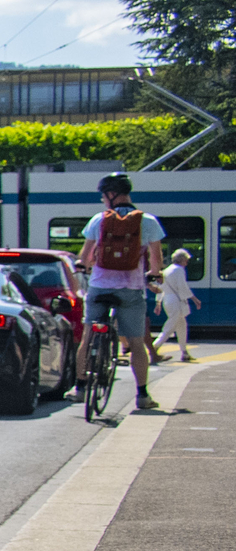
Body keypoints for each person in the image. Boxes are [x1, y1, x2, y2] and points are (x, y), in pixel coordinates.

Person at [74, 173, 167, 412]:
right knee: (136, 343)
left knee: (87, 336)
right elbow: (156, 260)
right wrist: (155, 274)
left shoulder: (98, 220)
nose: (104, 201)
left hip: (100, 287)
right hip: (132, 290)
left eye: (104, 196)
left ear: (111, 195)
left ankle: (80, 387)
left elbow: (84, 257)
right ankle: (143, 395)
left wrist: (83, 266)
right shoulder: (148, 221)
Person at [159, 248, 198, 362]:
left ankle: (184, 352)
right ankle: (154, 347)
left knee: (181, 326)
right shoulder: (179, 270)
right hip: (176, 301)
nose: (186, 263)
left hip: (168, 299)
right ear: (181, 260)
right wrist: (194, 299)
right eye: (186, 260)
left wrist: (158, 303)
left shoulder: (167, 270)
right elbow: (183, 287)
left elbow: (161, 287)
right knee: (170, 327)